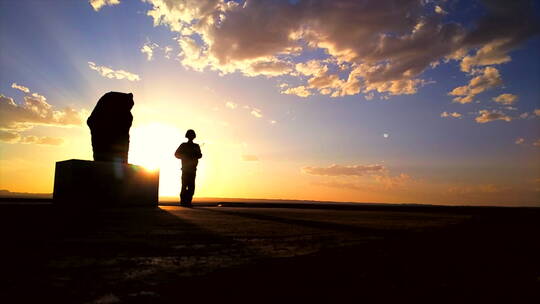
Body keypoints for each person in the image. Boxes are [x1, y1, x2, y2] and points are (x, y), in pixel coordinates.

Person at [87, 92, 134, 163]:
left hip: (116, 153)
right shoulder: (109, 100)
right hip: (104, 144)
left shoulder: (127, 116)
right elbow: (92, 121)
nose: (130, 109)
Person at [174, 129, 202, 207]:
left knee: (191, 187)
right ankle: (183, 202)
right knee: (184, 185)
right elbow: (176, 154)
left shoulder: (196, 146)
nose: (191, 137)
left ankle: (188, 202)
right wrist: (185, 156)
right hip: (186, 169)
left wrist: (194, 154)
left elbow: (200, 155)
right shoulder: (183, 145)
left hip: (192, 170)